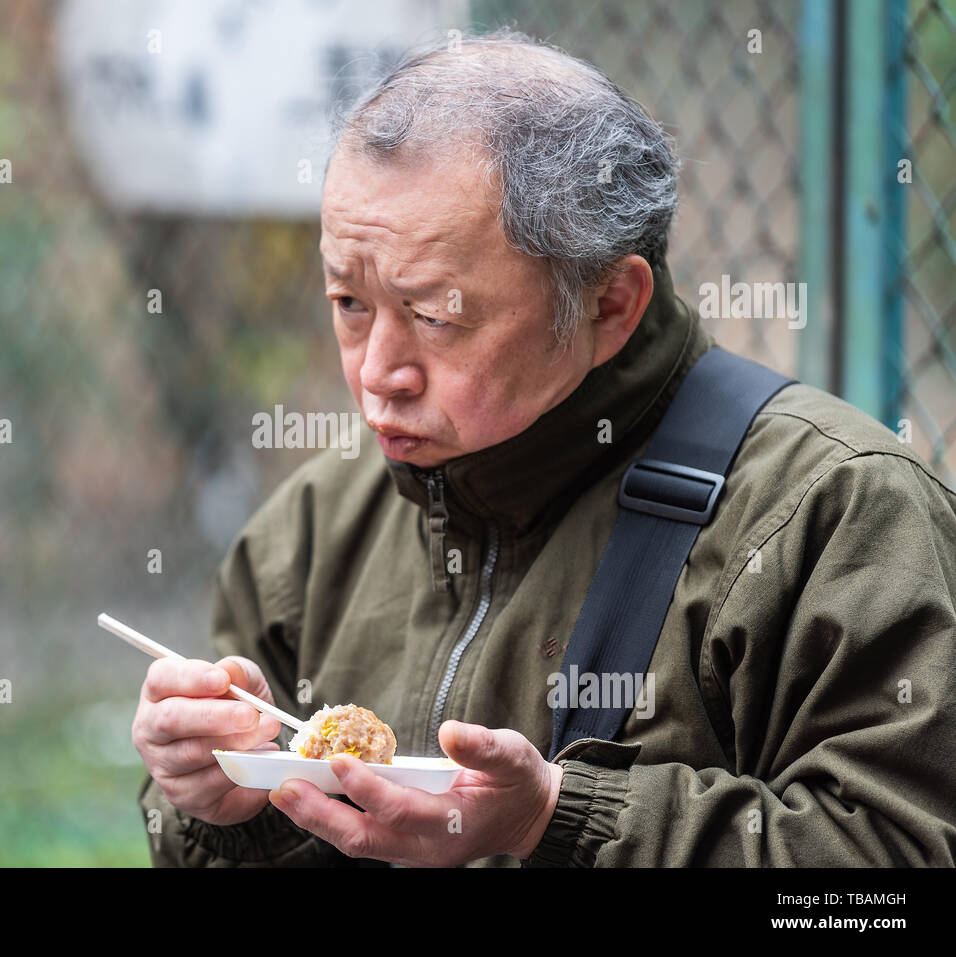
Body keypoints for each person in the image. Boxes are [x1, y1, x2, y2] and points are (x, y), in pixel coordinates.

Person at [132, 29, 956, 867]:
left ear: (610, 305)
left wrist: (559, 821)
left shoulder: (834, 516)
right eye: (348, 301)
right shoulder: (308, 536)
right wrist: (216, 808)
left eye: (435, 316)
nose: (378, 372)